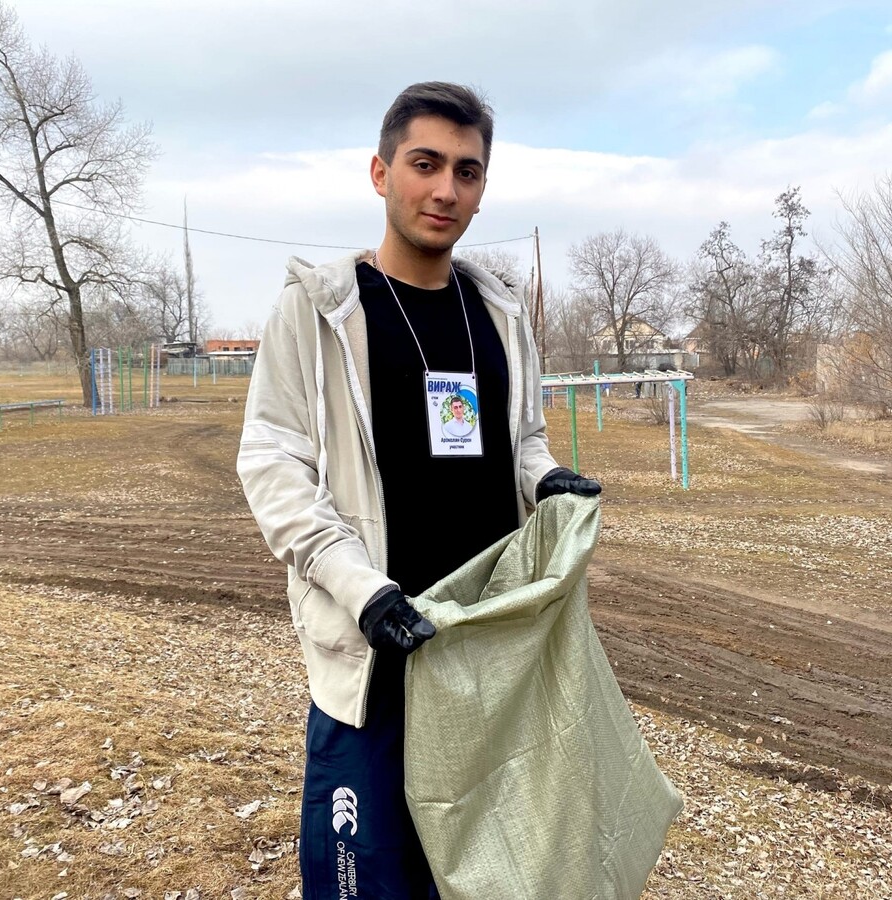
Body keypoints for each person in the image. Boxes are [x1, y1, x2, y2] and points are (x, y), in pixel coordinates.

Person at [238, 81, 601, 900]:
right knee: (363, 881)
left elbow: (522, 439)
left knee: (481, 870)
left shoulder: (499, 314)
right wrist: (363, 592)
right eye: (425, 164)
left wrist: (546, 480)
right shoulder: (317, 310)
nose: (446, 190)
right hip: (375, 658)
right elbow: (273, 465)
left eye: (467, 172)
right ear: (380, 171)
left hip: (482, 656)